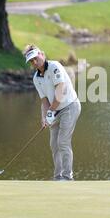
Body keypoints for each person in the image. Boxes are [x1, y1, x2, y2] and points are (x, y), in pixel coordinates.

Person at [24, 44, 81, 181]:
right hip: (55, 110)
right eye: (31, 61)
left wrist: (50, 112)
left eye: (35, 58)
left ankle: (68, 177)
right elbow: (44, 101)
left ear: (42, 55)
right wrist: (44, 117)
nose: (34, 62)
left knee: (63, 142)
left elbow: (60, 91)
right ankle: (58, 177)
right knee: (54, 144)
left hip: (70, 106)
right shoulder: (36, 78)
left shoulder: (55, 66)